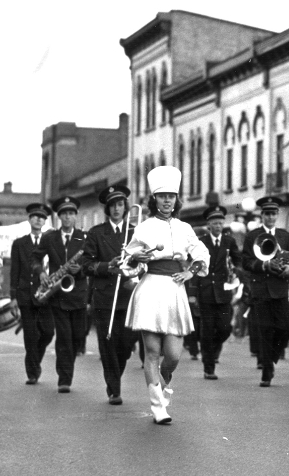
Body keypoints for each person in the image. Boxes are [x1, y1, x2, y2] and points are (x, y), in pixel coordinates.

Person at [123, 166, 210, 424]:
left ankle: (164, 380)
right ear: (154, 199)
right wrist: (136, 257)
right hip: (150, 288)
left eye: (171, 196)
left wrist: (191, 272)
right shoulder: (144, 227)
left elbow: (202, 254)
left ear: (176, 199)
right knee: (151, 351)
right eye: (162, 196)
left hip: (174, 290)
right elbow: (127, 262)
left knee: (172, 354)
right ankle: (158, 407)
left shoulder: (184, 227)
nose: (167, 201)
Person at [81, 185, 138, 405]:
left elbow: (143, 260)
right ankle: (114, 389)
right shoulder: (96, 232)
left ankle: (115, 376)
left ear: (125, 207)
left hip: (128, 294)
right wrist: (107, 266)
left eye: (120, 204)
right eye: (113, 205)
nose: (116, 209)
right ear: (107, 208)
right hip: (104, 296)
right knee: (108, 344)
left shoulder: (134, 232)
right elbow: (86, 265)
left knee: (125, 344)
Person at [31, 196, 89, 393]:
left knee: (77, 337)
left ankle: (66, 370)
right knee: (64, 337)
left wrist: (79, 270)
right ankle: (64, 378)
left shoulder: (85, 237)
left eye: (71, 214)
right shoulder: (49, 237)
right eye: (64, 214)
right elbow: (35, 258)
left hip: (79, 293)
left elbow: (91, 263)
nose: (67, 217)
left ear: (75, 216)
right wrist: (41, 274)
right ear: (59, 216)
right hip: (58, 295)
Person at [242, 196, 289, 387]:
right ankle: (266, 371)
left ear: (277, 215)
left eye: (274, 214)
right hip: (261, 289)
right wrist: (263, 264)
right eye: (267, 214)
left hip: (280, 288)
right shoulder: (252, 236)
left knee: (287, 329)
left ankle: (270, 358)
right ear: (262, 215)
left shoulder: (284, 236)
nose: (271, 217)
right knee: (265, 331)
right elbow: (246, 262)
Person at [9, 203, 55, 385]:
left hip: (46, 295)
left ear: (45, 221)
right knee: (30, 335)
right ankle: (33, 372)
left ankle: (34, 359)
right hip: (26, 295)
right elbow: (14, 271)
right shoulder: (19, 243)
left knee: (48, 332)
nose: (38, 219)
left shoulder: (51, 241)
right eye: (35, 216)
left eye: (42, 217)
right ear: (29, 219)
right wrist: (13, 297)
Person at [195, 205, 242, 380]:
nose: (218, 226)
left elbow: (238, 261)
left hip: (223, 292)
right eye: (214, 223)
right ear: (209, 225)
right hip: (206, 292)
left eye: (220, 223)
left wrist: (235, 270)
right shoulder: (202, 242)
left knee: (225, 328)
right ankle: (209, 367)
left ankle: (212, 350)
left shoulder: (229, 242)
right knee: (207, 331)